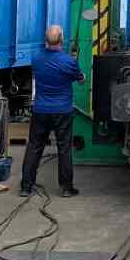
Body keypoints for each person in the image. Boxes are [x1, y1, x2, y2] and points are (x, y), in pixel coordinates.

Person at [19, 25, 83, 198]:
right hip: (62, 110)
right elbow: (80, 79)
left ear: (45, 40)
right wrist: (78, 72)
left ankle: (26, 187)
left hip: (40, 110)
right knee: (64, 148)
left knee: (34, 147)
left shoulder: (36, 59)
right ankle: (66, 188)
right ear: (62, 39)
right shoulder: (69, 61)